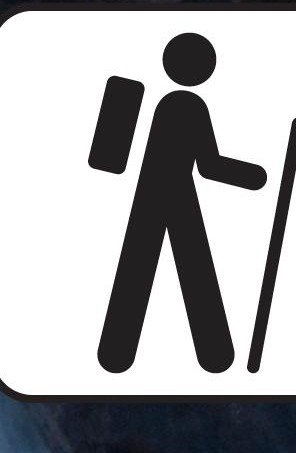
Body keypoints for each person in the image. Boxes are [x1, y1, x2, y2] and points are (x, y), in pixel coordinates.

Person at [99, 32, 268, 373]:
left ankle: (118, 353)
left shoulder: (131, 88)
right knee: (191, 271)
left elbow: (108, 156)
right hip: (170, 196)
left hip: (155, 195)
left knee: (144, 271)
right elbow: (210, 165)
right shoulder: (184, 104)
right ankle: (213, 354)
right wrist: (255, 176)